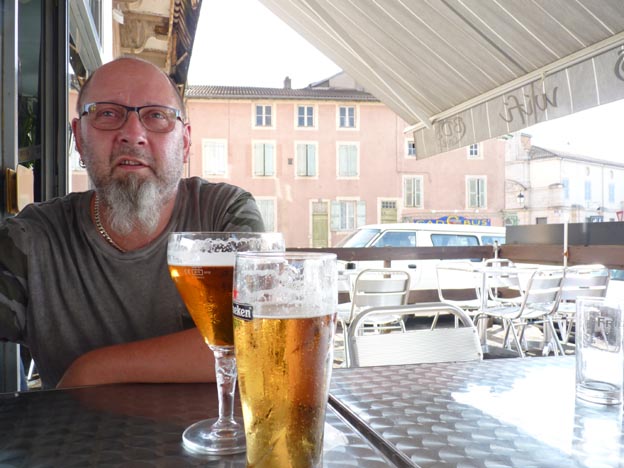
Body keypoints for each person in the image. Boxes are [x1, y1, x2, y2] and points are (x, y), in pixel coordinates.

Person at [0, 57, 265, 390]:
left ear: (185, 143)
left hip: (218, 426)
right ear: (78, 138)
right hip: (80, 428)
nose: (132, 134)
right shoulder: (32, 240)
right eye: (107, 114)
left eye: (156, 116)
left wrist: (95, 370)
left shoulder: (223, 213)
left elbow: (256, 337)